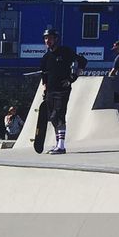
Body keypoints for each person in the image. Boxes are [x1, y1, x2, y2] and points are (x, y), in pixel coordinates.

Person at [36, 26, 79, 154]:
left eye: (49, 38)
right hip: (50, 90)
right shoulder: (46, 57)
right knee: (53, 118)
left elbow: (81, 62)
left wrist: (72, 78)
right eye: (45, 39)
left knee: (59, 115)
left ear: (55, 39)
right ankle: (57, 144)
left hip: (62, 90)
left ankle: (61, 146)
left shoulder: (65, 52)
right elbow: (44, 75)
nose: (47, 41)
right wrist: (45, 88)